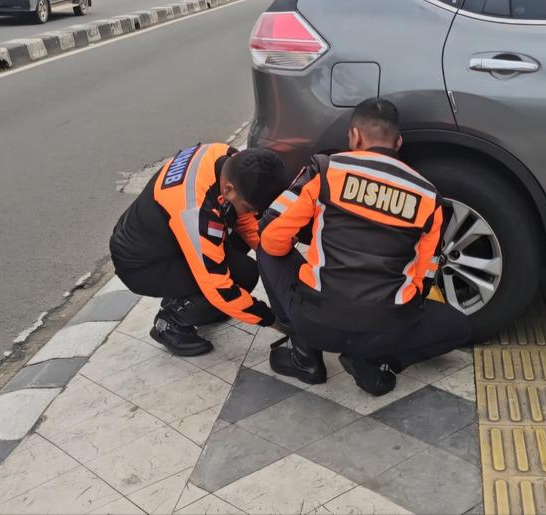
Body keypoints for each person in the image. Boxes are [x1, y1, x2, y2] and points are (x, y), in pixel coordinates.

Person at [257, 98, 472, 395]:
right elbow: (425, 274)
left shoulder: (325, 169)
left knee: (265, 245)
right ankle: (378, 362)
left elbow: (272, 238)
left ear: (354, 136)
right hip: (386, 329)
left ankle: (304, 355)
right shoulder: (428, 197)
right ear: (398, 142)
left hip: (316, 321)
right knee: (459, 327)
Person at [109, 143, 288, 356]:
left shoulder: (228, 159)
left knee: (240, 264)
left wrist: (274, 255)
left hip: (169, 239)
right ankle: (170, 322)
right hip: (141, 264)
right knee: (239, 277)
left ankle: (190, 300)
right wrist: (274, 321)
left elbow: (247, 221)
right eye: (249, 206)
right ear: (229, 190)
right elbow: (219, 287)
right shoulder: (195, 211)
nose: (251, 212)